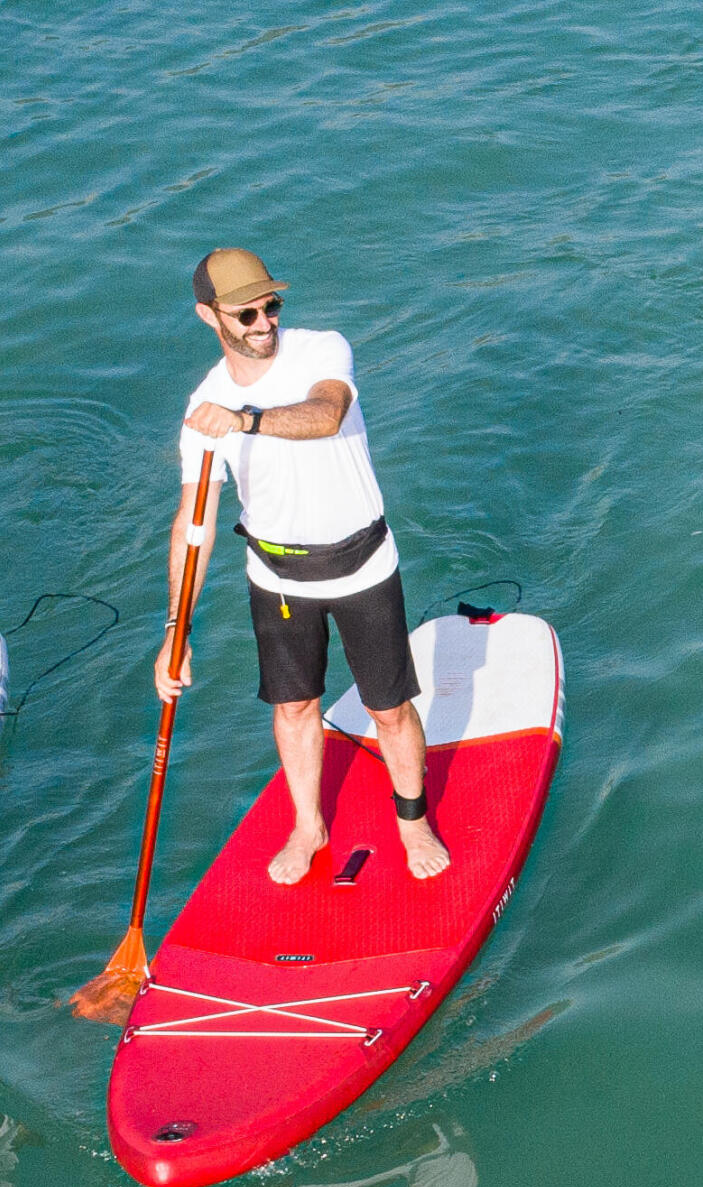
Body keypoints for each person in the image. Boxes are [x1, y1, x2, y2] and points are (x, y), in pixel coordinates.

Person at [156, 247, 449, 884]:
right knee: (294, 708)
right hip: (277, 576)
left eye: (272, 305)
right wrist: (174, 635)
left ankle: (412, 818)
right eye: (246, 313)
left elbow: (326, 416)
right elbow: (193, 527)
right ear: (210, 317)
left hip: (361, 563)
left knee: (389, 709)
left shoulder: (320, 351)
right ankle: (307, 824)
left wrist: (244, 421)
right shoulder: (202, 409)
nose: (265, 322)